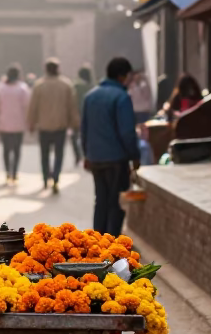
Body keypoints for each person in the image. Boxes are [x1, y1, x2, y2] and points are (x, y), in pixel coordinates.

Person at [80, 56, 139, 237]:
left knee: (101, 201)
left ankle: (96, 242)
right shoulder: (121, 97)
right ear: (123, 76)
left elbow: (84, 128)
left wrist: (87, 154)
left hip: (96, 157)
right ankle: (112, 244)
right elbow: (127, 132)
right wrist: (134, 156)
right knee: (115, 203)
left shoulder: (90, 96)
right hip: (116, 159)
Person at [27, 58, 79, 193]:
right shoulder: (66, 85)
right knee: (59, 154)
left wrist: (31, 123)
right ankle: (55, 177)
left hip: (44, 126)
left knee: (44, 155)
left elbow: (33, 107)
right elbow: (71, 107)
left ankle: (46, 178)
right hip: (60, 125)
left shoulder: (39, 85)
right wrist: (75, 123)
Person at [0, 64, 31, 184]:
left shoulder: (0, 89)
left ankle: (8, 172)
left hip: (4, 125)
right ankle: (15, 172)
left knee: (6, 150)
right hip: (19, 125)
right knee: (17, 150)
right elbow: (27, 107)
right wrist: (29, 123)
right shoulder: (23, 89)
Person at [70, 64, 93, 165]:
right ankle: (87, 154)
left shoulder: (75, 86)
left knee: (74, 136)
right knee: (87, 136)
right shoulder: (91, 86)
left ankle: (77, 156)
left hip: (76, 114)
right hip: (89, 114)